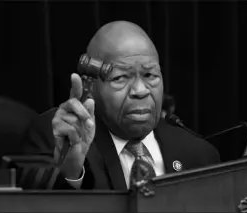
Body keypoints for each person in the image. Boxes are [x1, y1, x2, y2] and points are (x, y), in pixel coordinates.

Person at [21, 20, 220, 190]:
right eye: (121, 77)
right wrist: (71, 171)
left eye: (150, 75)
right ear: (90, 86)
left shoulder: (200, 155)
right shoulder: (57, 135)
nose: (140, 90)